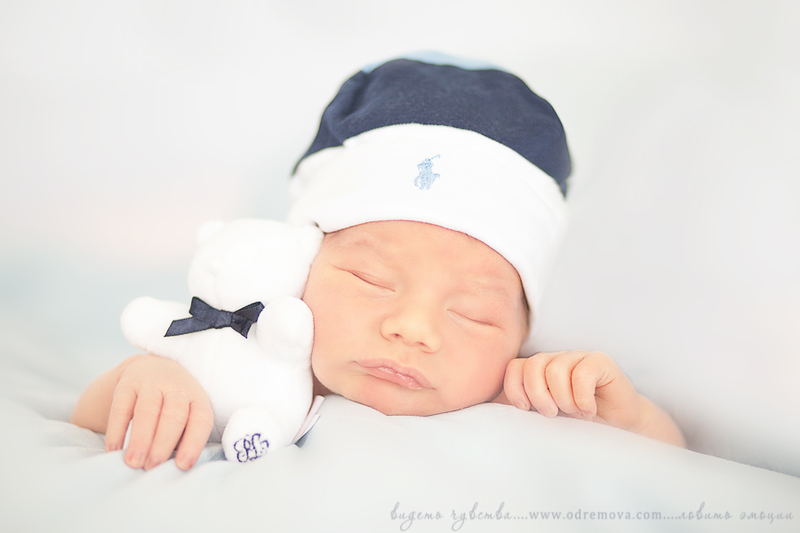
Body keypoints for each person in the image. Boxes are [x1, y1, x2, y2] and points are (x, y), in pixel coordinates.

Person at [71, 53, 685, 472]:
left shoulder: (515, 396)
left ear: (522, 335)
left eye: (473, 314)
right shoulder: (245, 366)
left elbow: (668, 469)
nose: (412, 328)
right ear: (301, 267)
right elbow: (92, 416)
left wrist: (628, 418)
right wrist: (150, 382)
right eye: (371, 279)